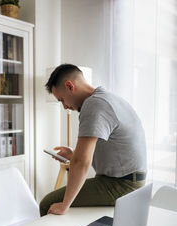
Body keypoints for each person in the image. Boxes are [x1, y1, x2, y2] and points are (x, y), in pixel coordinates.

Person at [40, 64, 147, 216]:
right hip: (132, 180)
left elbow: (82, 162)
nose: (64, 107)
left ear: (70, 86)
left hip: (122, 184)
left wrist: (64, 206)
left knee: (47, 203)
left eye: (62, 100)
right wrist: (73, 154)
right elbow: (105, 148)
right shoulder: (106, 97)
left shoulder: (94, 105)